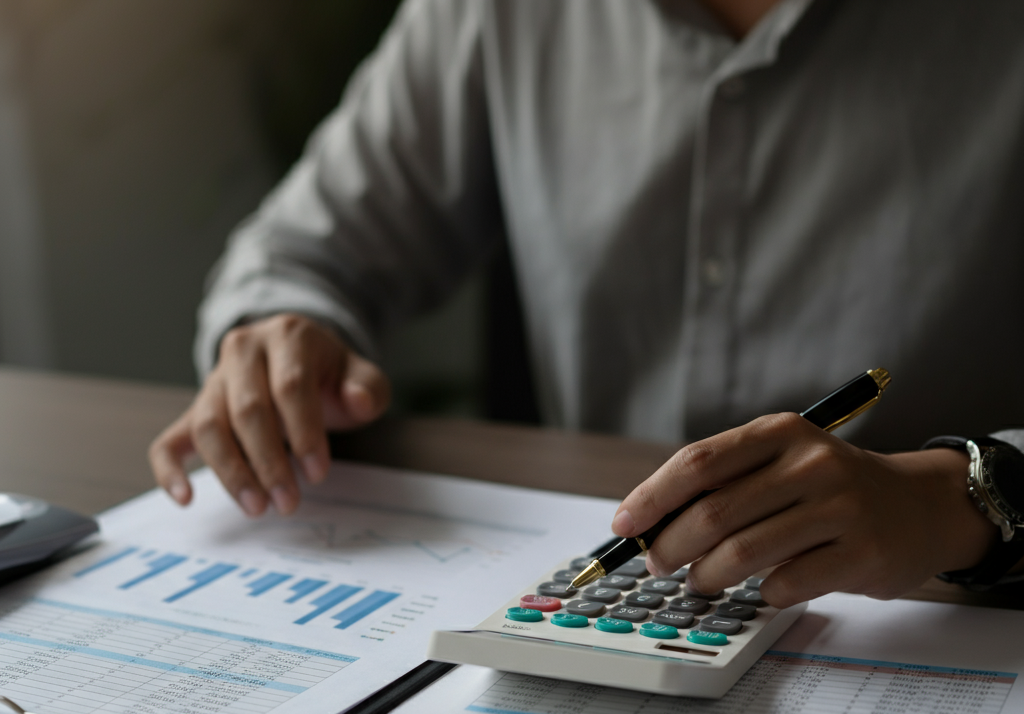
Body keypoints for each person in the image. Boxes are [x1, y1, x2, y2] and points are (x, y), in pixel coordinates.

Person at [149, 0, 1024, 607]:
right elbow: (303, 249)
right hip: (625, 612)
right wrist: (277, 336)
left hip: (947, 624)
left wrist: (959, 496)